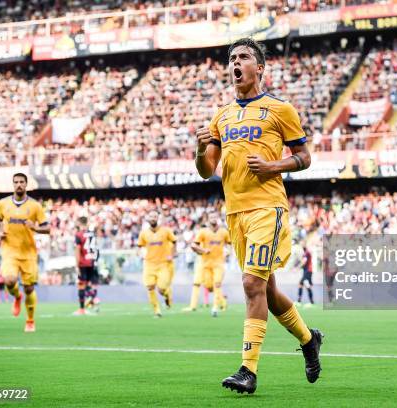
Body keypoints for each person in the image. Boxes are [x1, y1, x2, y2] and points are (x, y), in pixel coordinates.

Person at [195, 37, 323, 394]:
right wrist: (199, 147)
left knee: (251, 285)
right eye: (232, 58)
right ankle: (308, 338)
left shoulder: (280, 109)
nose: (235, 63)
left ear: (259, 68)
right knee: (266, 288)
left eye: (244, 57)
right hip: (235, 212)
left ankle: (247, 370)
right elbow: (208, 170)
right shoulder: (222, 114)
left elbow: (304, 157)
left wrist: (272, 166)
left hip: (268, 207)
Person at [0, 173, 50, 332]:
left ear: (26, 184)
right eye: (16, 182)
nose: (19, 185)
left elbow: (47, 228)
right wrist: (0, 231)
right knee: (10, 281)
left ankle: (30, 320)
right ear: (13, 184)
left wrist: (36, 228)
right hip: (9, 250)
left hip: (28, 254)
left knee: (29, 289)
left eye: (22, 182)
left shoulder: (35, 206)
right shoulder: (3, 203)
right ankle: (17, 297)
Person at [190, 213, 230, 317]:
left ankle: (215, 308)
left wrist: (228, 251)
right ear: (208, 219)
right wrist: (203, 250)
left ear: (218, 219)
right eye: (211, 217)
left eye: (215, 217)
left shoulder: (224, 232)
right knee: (209, 286)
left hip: (219, 263)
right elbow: (193, 245)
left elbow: (231, 244)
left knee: (217, 284)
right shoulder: (203, 232)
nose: (213, 219)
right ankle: (223, 301)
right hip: (205, 264)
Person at [137, 210, 177, 317]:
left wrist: (172, 254)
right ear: (148, 218)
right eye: (151, 216)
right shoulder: (144, 233)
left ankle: (167, 295)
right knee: (150, 287)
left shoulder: (166, 231)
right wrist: (140, 253)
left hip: (163, 264)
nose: (153, 218)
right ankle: (157, 310)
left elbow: (174, 241)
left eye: (155, 216)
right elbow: (140, 246)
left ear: (158, 218)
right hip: (149, 264)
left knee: (161, 288)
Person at [74, 216, 100, 315]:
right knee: (90, 284)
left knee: (81, 285)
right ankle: (93, 299)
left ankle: (82, 309)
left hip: (83, 262)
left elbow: (77, 250)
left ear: (79, 223)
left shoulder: (79, 235)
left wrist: (77, 265)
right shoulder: (92, 234)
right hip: (92, 261)